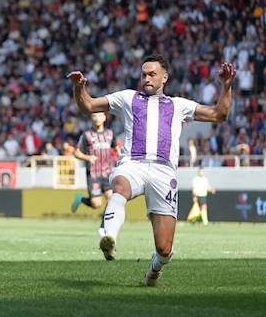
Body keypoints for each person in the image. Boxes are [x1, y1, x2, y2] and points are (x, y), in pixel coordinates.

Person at [68, 54, 235, 286]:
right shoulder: (127, 97)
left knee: (164, 248)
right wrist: (79, 87)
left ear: (164, 78)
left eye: (152, 74)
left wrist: (226, 87)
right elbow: (87, 105)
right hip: (132, 163)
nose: (146, 78)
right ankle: (110, 238)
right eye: (143, 74)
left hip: (164, 172)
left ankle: (155, 270)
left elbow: (220, 114)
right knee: (120, 186)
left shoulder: (179, 105)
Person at [70, 112, 119, 239]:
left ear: (104, 117)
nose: (97, 118)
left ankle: (103, 228)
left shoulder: (110, 134)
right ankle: (80, 199)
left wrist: (121, 157)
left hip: (107, 173)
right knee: (96, 204)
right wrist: (88, 157)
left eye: (99, 116)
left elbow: (116, 148)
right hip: (93, 174)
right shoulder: (86, 135)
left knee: (111, 200)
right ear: (91, 119)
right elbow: (76, 152)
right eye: (94, 116)